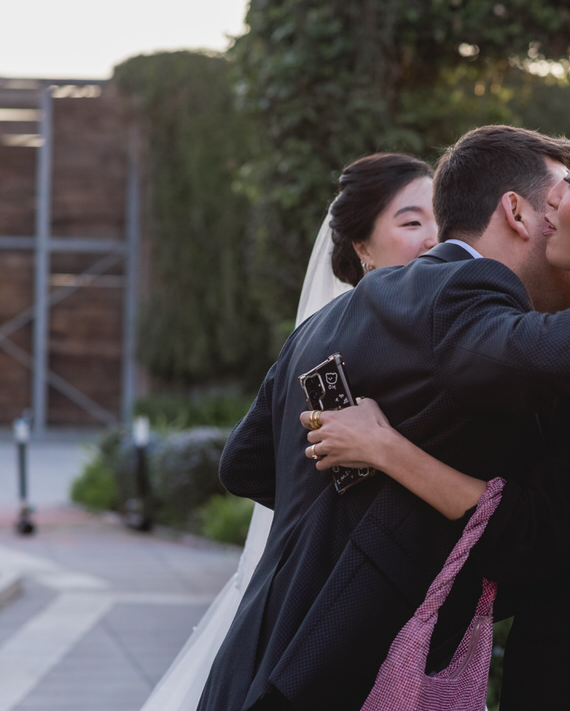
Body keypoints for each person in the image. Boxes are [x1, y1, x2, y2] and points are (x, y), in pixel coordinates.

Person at [200, 125, 570, 711]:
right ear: (515, 213)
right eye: (560, 186)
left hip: (261, 653)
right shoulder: (492, 302)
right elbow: (518, 366)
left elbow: (245, 465)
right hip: (340, 662)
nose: (558, 202)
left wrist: (377, 472)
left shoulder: (330, 319)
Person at [138, 152, 436, 711]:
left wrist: (312, 508)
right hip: (332, 628)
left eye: (440, 219)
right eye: (412, 221)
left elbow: (242, 465)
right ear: (362, 247)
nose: (433, 238)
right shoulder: (401, 339)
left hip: (277, 610)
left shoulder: (313, 332)